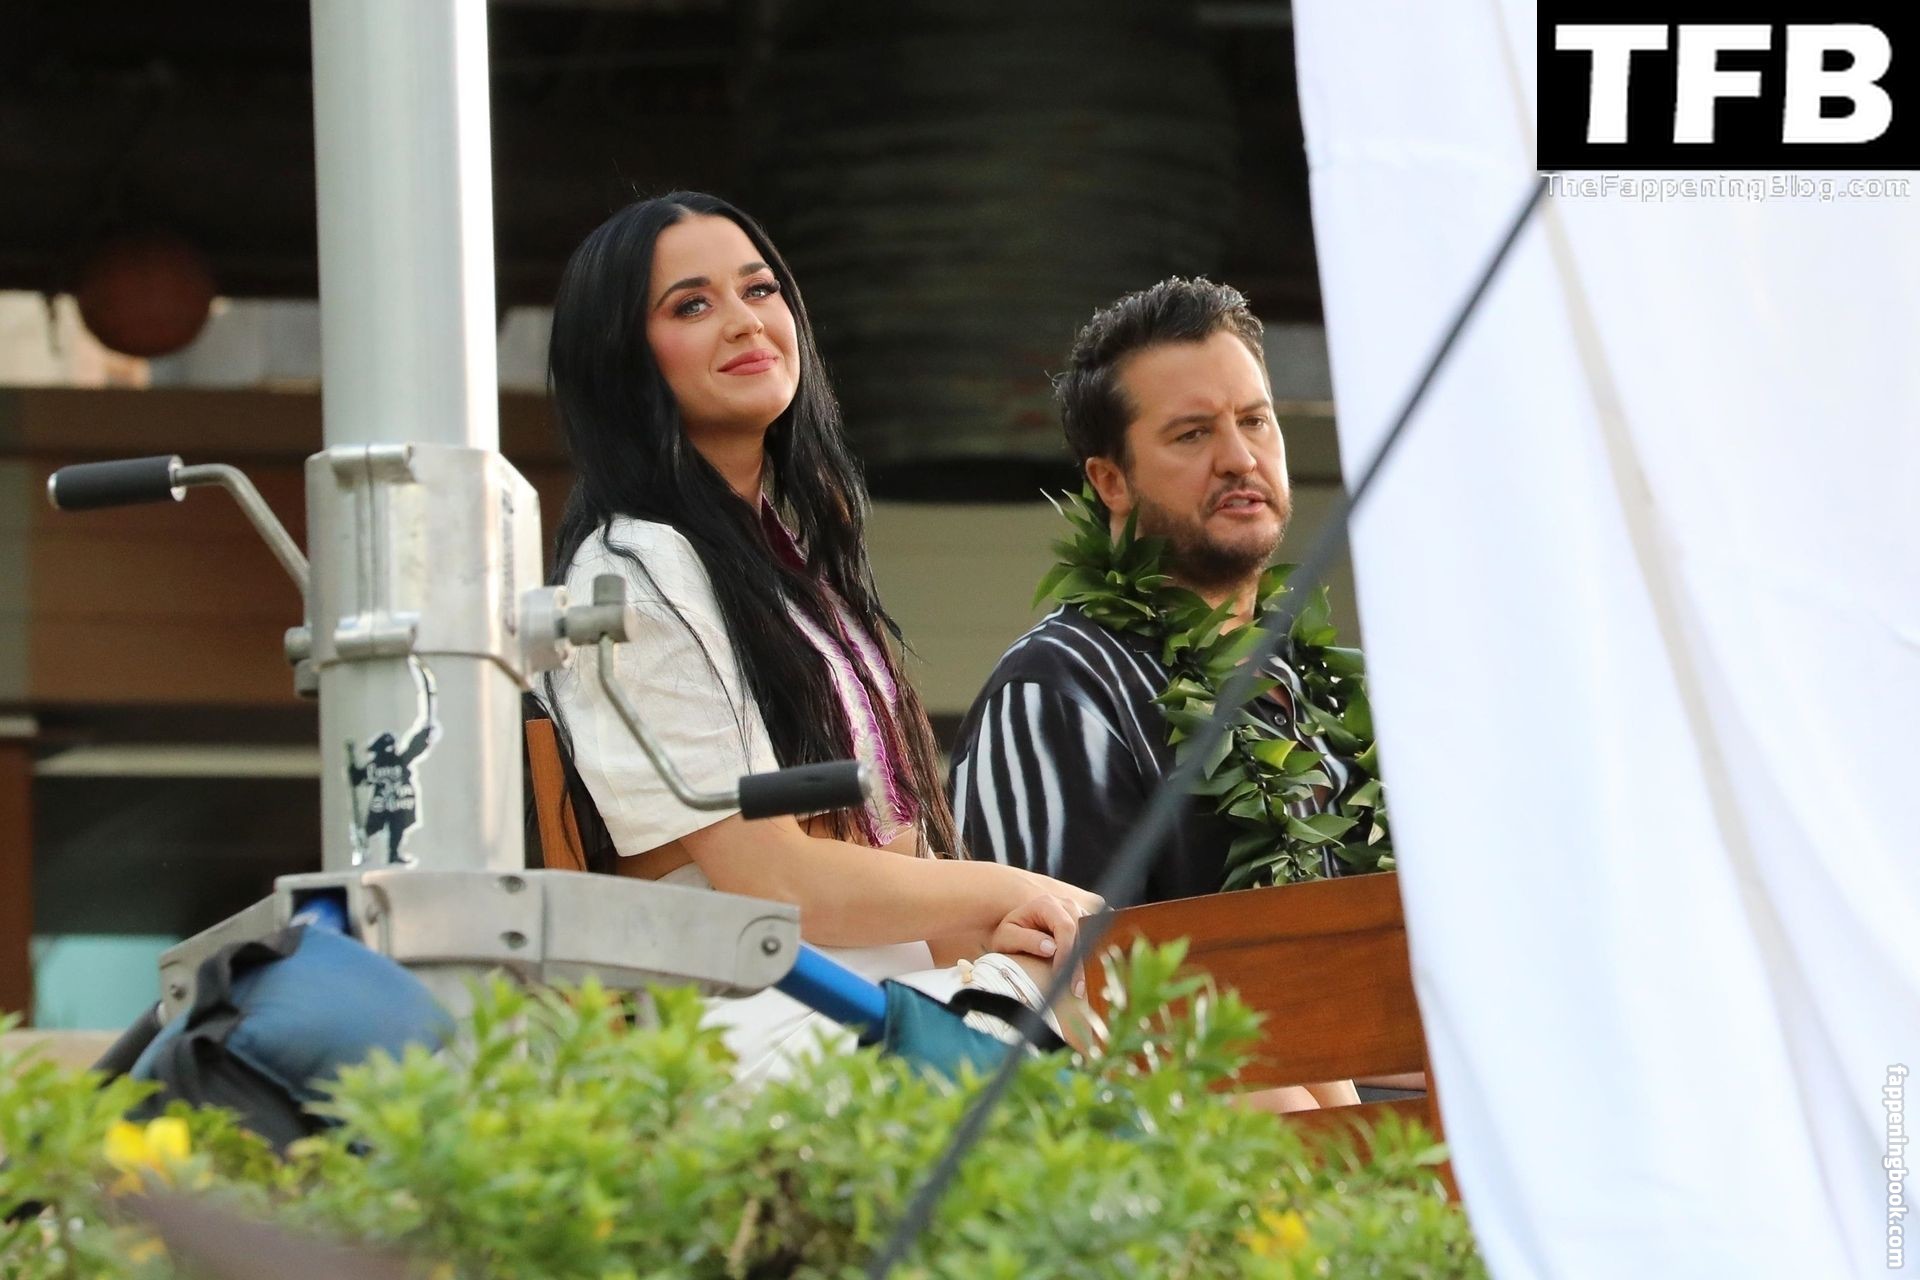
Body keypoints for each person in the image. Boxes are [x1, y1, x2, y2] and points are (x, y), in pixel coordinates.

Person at [541, 192, 1099, 1084]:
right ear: (621, 359)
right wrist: (1020, 891)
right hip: (761, 1028)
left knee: (1181, 1002)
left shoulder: (791, 568)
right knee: (1148, 1001)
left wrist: (1010, 924)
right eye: (692, 304)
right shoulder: (634, 569)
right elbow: (775, 883)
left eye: (760, 290)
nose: (744, 321)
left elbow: (904, 865)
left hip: (881, 999)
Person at [949, 277, 1359, 908]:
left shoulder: (1318, 684)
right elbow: (1056, 966)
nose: (1240, 459)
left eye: (1254, 421)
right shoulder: (1057, 691)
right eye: (1193, 433)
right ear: (1111, 482)